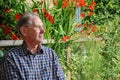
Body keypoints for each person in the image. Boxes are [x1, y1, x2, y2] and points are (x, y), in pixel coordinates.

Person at [0, 12, 65, 80]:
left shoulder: (50, 54)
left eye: (42, 27)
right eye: (38, 27)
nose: (43, 31)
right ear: (24, 31)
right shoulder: (11, 58)